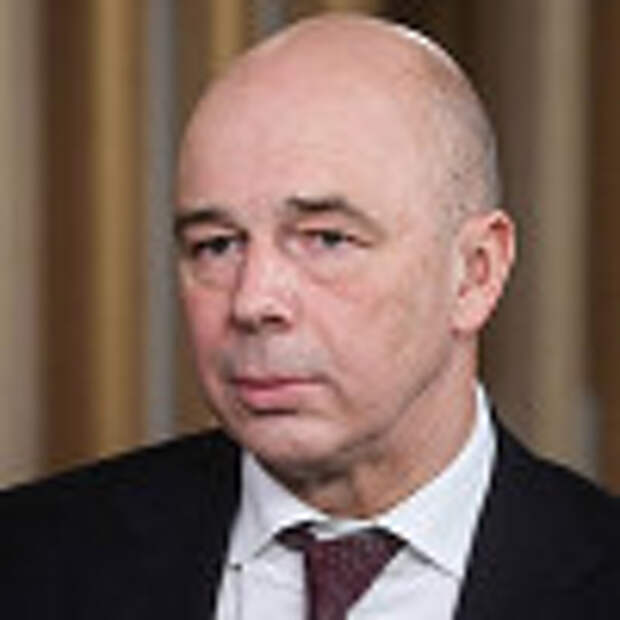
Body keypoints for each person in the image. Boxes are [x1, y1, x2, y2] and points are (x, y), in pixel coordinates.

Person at [2, 12, 618, 620]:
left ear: (475, 273)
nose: (253, 301)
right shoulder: (29, 561)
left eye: (326, 239)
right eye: (216, 245)